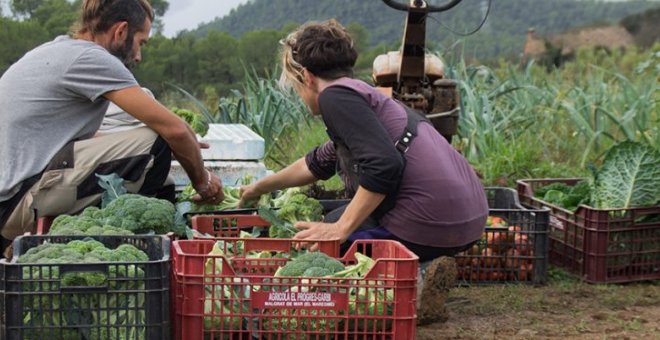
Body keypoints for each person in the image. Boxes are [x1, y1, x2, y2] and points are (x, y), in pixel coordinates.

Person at [238, 19, 488, 324]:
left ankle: (412, 286)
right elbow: (317, 162)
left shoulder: (334, 97)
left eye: (295, 86)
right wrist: (260, 187)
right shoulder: (367, 97)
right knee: (332, 223)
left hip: (429, 221)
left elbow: (384, 165)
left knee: (323, 240)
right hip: (467, 222)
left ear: (306, 76)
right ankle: (424, 267)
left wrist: (340, 228)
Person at [0, 0, 224, 257]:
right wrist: (203, 182)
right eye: (141, 42)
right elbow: (175, 130)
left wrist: (155, 151)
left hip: (13, 198)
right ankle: (128, 254)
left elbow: (80, 140)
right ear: (121, 31)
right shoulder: (92, 57)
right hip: (19, 204)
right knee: (157, 143)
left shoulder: (59, 50)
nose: (139, 56)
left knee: (163, 178)